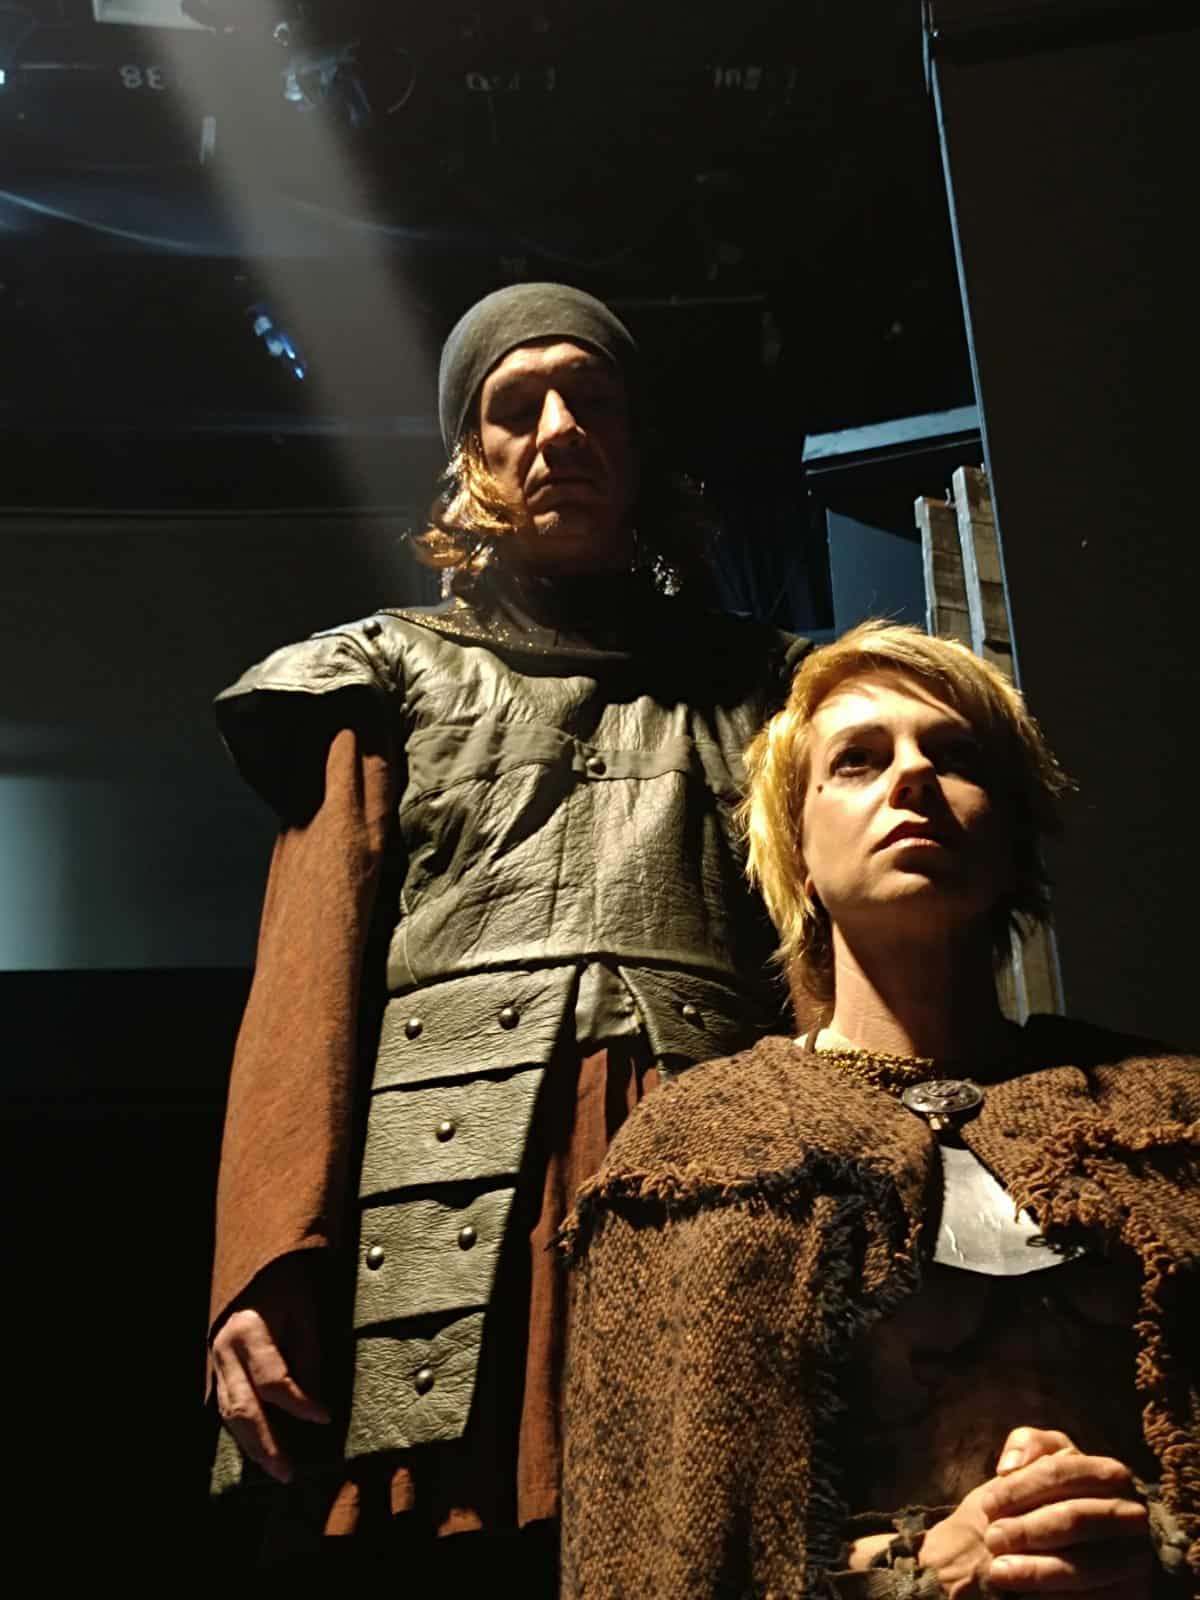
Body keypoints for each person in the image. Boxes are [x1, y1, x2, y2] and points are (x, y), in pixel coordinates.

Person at [206, 282, 809, 1581]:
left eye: (593, 400)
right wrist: (264, 1263)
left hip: (709, 1166)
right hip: (451, 1196)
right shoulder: (385, 677)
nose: (558, 430)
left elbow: (827, 969)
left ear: (637, 445)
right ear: (471, 455)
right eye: (516, 406)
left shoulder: (771, 693)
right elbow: (306, 986)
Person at [561, 621, 1200, 1598]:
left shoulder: (1166, 1109)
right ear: (798, 846)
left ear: (1012, 837)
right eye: (857, 760)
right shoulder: (696, 1148)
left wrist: (1146, 1540)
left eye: (956, 756)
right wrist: (916, 1568)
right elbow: (650, 1546)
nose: (913, 777)